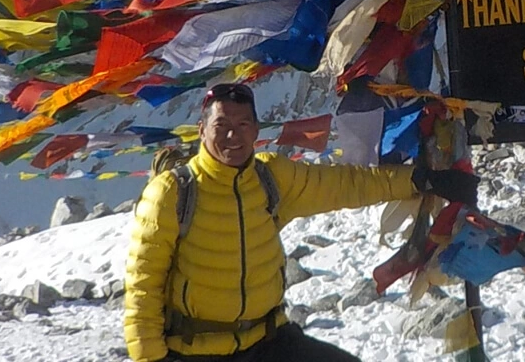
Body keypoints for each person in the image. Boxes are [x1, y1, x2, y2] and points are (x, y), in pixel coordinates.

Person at [123, 83, 478, 362]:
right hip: (195, 352)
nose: (233, 135)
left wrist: (420, 181)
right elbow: (143, 285)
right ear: (202, 130)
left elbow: (345, 184)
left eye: (243, 124)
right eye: (222, 125)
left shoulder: (270, 178)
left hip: (268, 342)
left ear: (256, 130)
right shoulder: (172, 191)